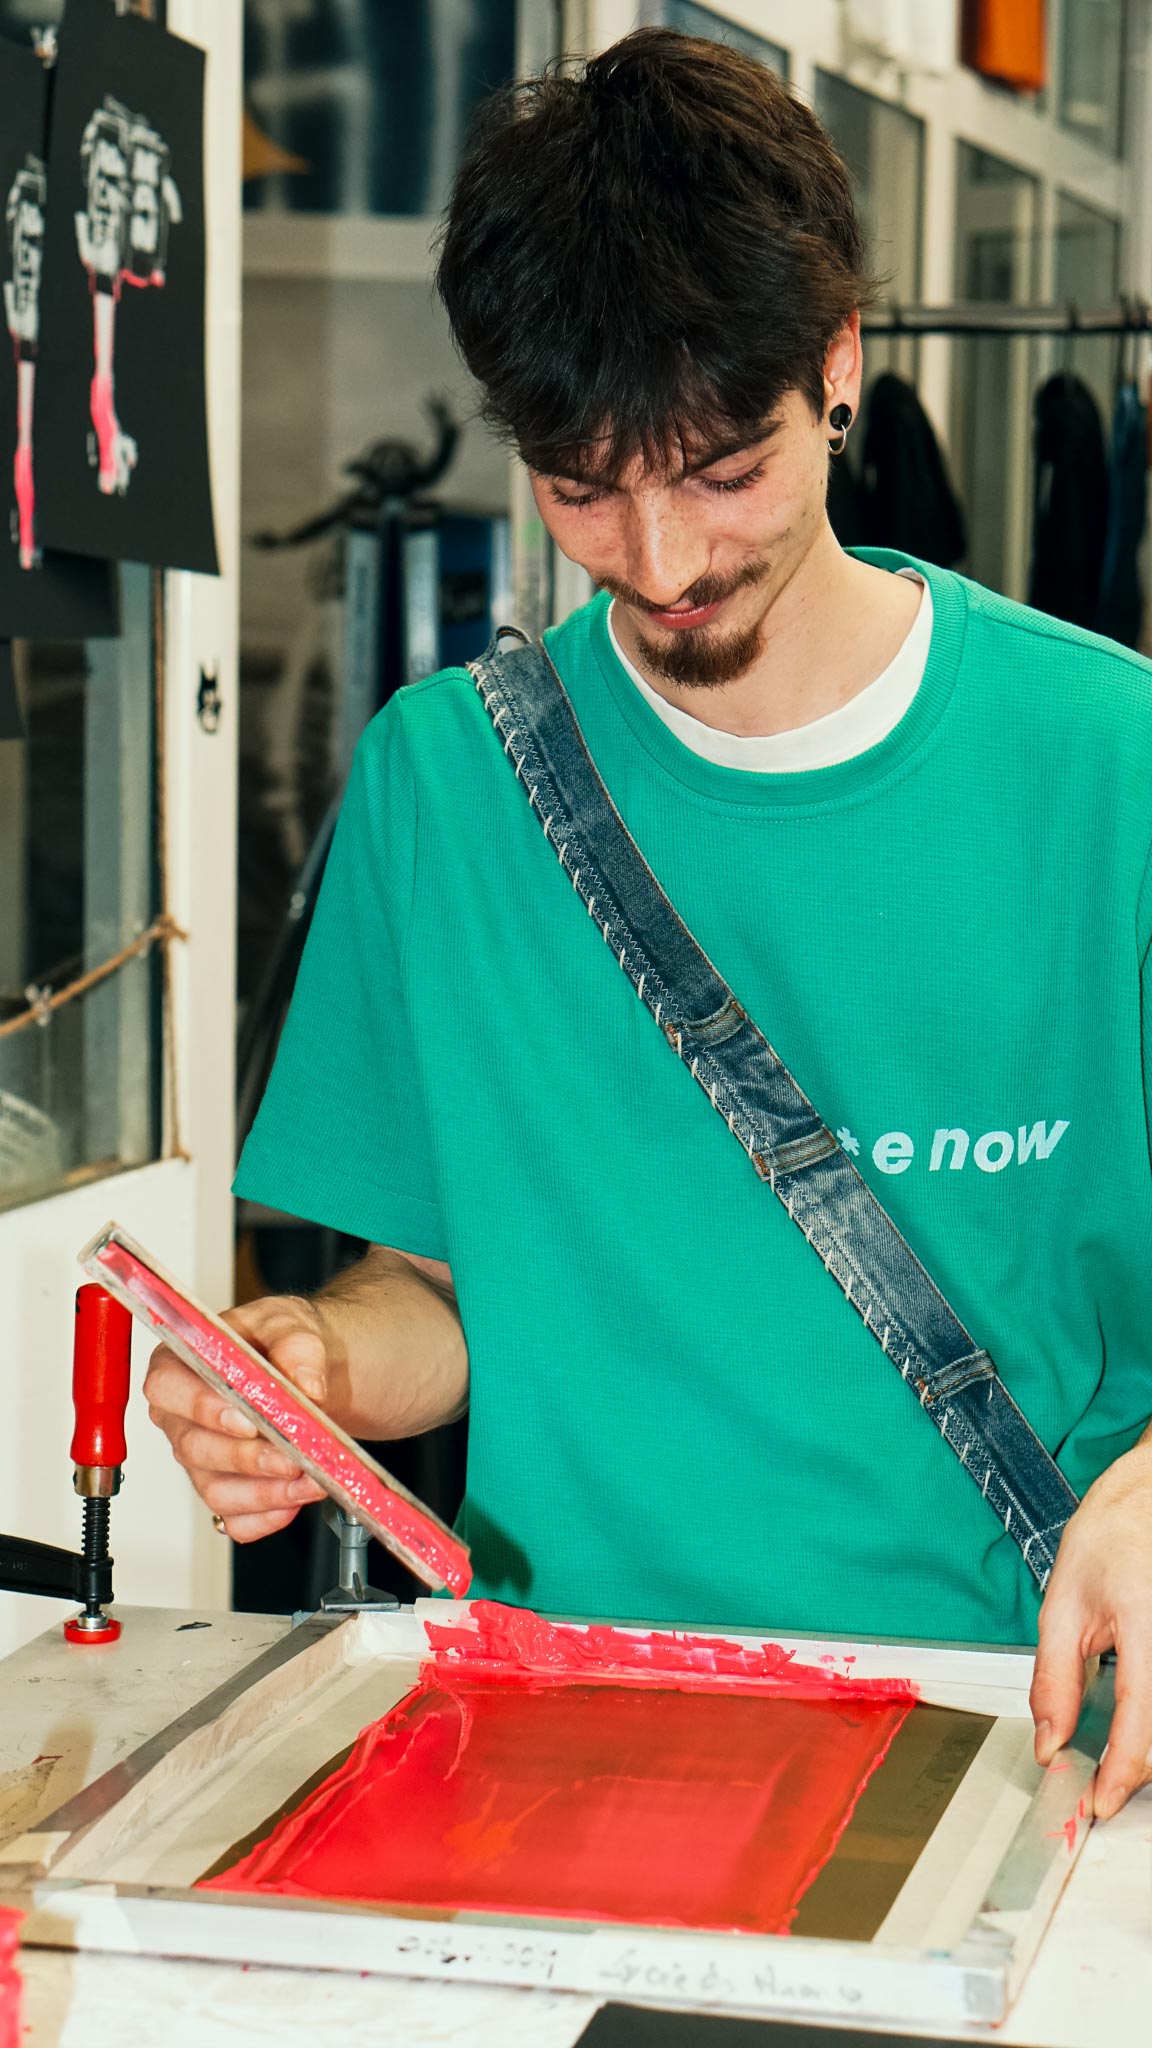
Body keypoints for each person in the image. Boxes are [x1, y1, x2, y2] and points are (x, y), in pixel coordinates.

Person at [146, 30, 1152, 1818]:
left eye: (722, 471)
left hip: (1025, 1750)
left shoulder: (1109, 767)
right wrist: (318, 1365)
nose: (665, 561)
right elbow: (444, 1291)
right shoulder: (447, 787)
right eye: (584, 488)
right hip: (572, 1746)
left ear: (837, 366)